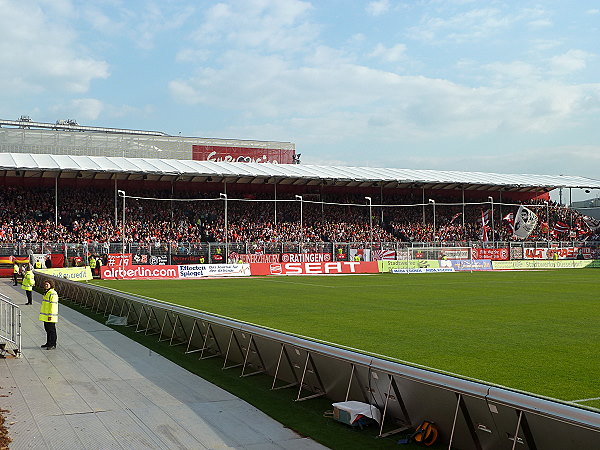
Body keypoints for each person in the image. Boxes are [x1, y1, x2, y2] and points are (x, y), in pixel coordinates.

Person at [40, 279, 59, 350]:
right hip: (46, 315)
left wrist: (50, 315)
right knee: (47, 329)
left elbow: (53, 306)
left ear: (51, 285)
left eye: (47, 284)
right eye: (45, 284)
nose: (45, 286)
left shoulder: (52, 293)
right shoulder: (47, 292)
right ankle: (48, 343)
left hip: (50, 316)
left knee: (51, 330)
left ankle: (53, 344)